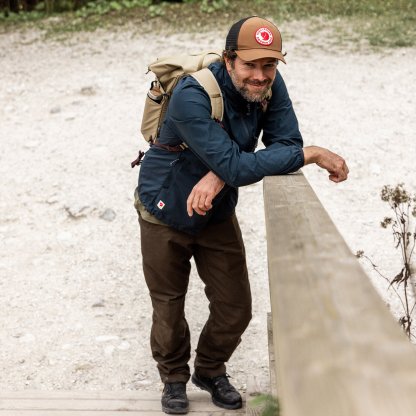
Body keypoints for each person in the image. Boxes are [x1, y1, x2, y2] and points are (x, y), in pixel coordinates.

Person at [134, 15, 349, 414]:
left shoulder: (269, 86)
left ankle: (209, 369)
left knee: (236, 307)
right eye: (250, 64)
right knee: (168, 306)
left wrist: (221, 173)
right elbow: (281, 154)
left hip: (216, 211)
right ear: (229, 59)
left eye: (269, 65)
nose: (260, 75)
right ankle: (173, 378)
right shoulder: (191, 95)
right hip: (163, 208)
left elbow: (285, 141)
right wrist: (311, 154)